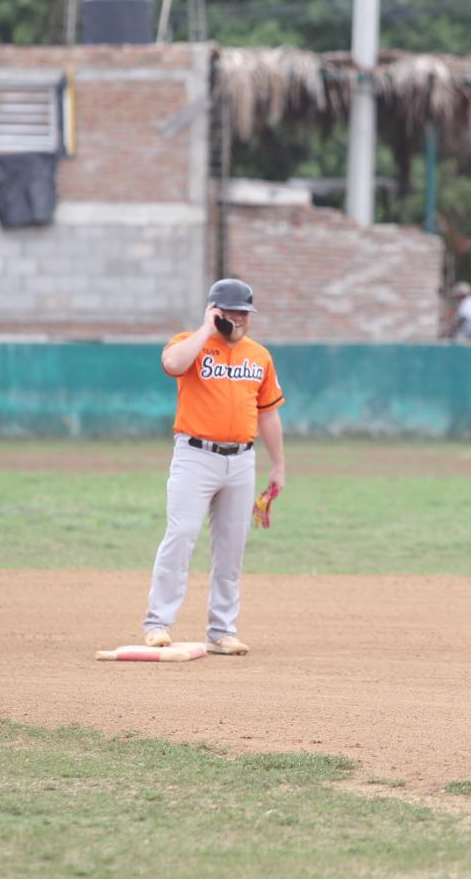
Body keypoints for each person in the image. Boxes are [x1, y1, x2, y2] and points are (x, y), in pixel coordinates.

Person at [142, 278, 286, 656]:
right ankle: (158, 623)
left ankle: (222, 630)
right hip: (195, 455)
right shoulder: (188, 343)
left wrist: (279, 465)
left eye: (245, 312)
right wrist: (208, 328)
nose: (240, 319)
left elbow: (268, 414)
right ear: (215, 310)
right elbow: (172, 365)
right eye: (232, 311)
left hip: (241, 460)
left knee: (231, 547)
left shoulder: (259, 357)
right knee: (181, 534)